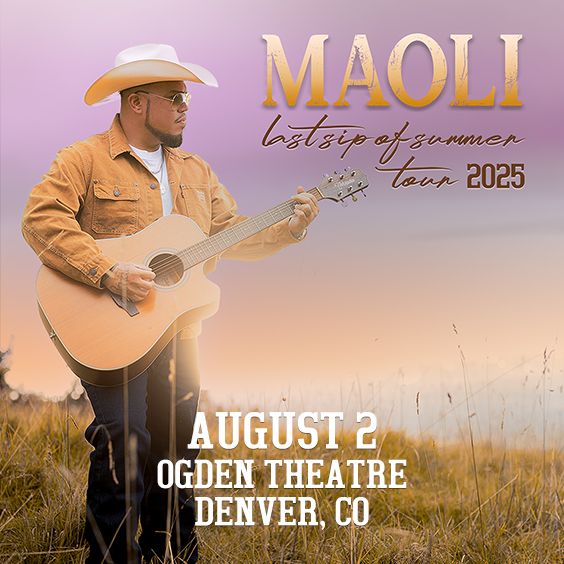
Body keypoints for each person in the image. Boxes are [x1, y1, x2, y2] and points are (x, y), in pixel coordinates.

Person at [21, 44, 319, 563]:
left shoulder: (197, 171)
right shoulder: (82, 159)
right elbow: (41, 220)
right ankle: (112, 556)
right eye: (175, 96)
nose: (186, 106)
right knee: (124, 437)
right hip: (109, 330)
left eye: (186, 97)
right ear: (137, 102)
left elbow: (229, 234)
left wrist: (288, 229)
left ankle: (172, 553)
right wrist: (108, 272)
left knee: (179, 448)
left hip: (180, 334)